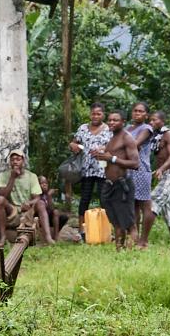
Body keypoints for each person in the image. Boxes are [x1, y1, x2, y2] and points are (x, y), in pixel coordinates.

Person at [89, 111, 140, 251]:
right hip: (109, 185)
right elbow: (108, 157)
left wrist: (111, 158)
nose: (111, 122)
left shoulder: (127, 138)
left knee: (130, 224)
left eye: (115, 120)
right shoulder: (112, 139)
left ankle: (132, 254)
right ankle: (119, 252)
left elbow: (135, 163)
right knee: (116, 223)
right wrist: (99, 155)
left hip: (122, 185)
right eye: (110, 120)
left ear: (123, 121)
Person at [0, 149, 54, 247]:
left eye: (18, 159)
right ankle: (2, 237)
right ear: (10, 162)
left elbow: (37, 198)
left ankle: (48, 237)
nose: (15, 162)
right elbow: (3, 195)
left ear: (23, 161)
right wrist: (12, 178)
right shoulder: (3, 175)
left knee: (41, 203)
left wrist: (29, 203)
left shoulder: (32, 176)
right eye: (12, 159)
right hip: (12, 209)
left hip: (28, 210)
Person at [69, 103, 112, 240]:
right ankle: (82, 230)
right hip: (86, 169)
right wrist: (74, 146)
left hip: (103, 168)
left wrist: (103, 150)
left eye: (98, 114)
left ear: (103, 115)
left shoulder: (108, 129)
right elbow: (73, 143)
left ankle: (106, 230)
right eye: (93, 113)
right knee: (84, 199)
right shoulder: (83, 128)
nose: (95, 116)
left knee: (104, 199)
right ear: (90, 114)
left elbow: (115, 147)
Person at [148, 110, 170, 252]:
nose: (151, 122)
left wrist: (161, 169)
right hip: (164, 174)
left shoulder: (168, 134)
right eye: (150, 120)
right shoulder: (156, 136)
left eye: (154, 120)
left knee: (153, 201)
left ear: (162, 121)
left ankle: (141, 240)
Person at [126, 102, 154, 249]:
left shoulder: (147, 128)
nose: (137, 113)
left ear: (146, 115)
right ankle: (134, 238)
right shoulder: (127, 129)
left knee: (145, 205)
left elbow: (134, 144)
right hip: (128, 170)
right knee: (133, 206)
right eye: (135, 110)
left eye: (140, 111)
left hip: (141, 169)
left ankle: (144, 240)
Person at [38, 175, 69, 240]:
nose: (44, 185)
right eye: (42, 183)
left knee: (63, 216)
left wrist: (49, 196)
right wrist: (49, 195)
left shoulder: (47, 194)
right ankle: (52, 235)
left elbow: (51, 209)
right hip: (40, 218)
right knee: (55, 212)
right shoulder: (36, 194)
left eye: (46, 183)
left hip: (49, 217)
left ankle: (56, 235)